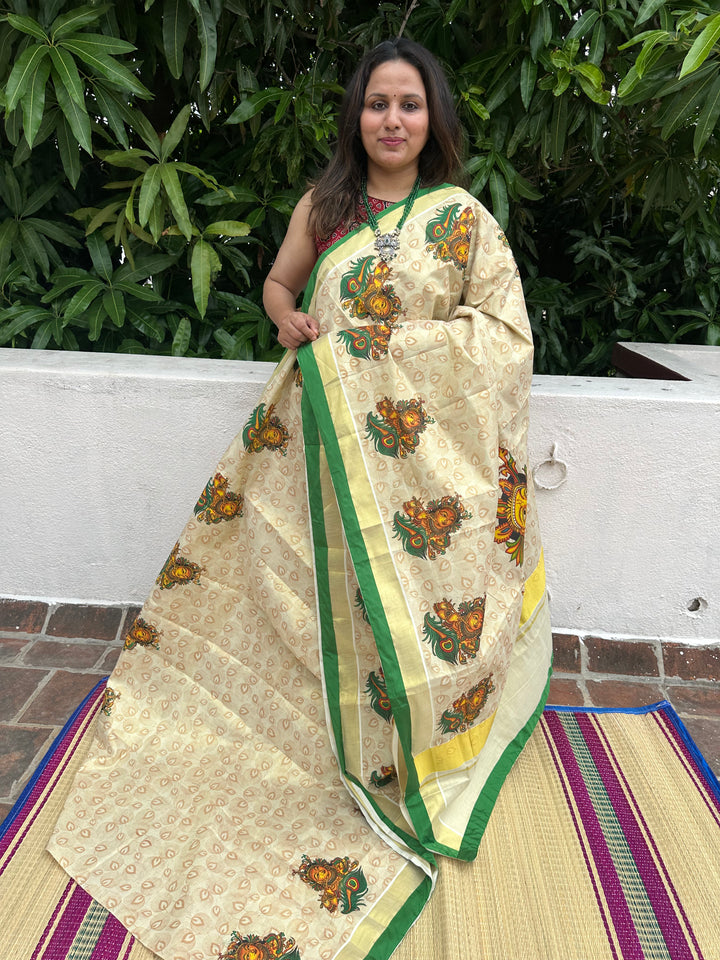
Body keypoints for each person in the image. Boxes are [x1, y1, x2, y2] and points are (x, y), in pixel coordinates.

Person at [48, 38, 551, 960]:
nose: (392, 121)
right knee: (299, 596)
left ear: (433, 117)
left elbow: (503, 339)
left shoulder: (465, 220)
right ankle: (315, 738)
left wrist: (388, 359)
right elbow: (279, 285)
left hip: (417, 473)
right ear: (356, 116)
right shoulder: (326, 207)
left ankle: (409, 744)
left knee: (391, 607)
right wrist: (288, 317)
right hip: (314, 453)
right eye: (376, 104)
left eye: (408, 104)